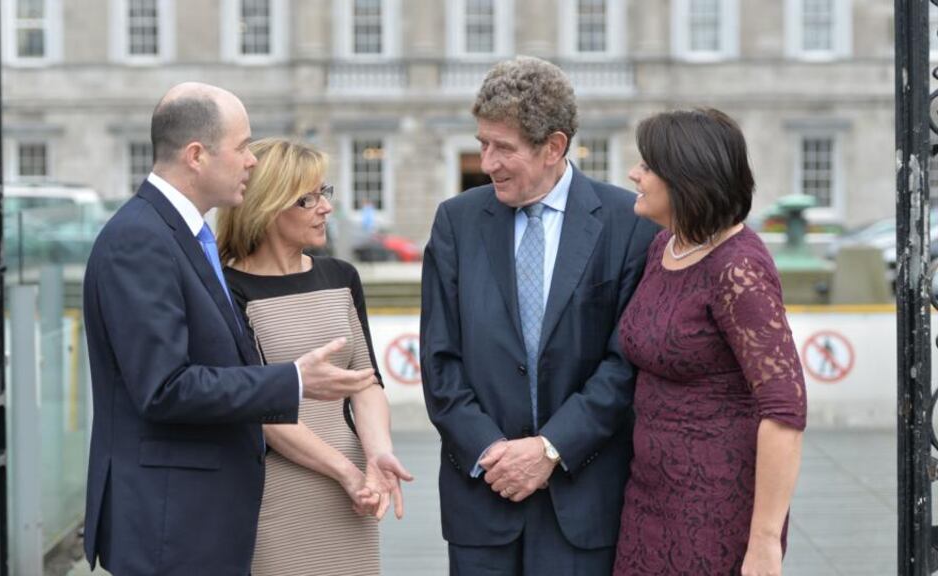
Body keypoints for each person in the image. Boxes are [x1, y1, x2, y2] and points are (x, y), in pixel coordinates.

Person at [81, 83, 377, 576]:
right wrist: (294, 380)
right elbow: (165, 387)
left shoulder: (183, 235)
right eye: (242, 148)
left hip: (200, 518)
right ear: (197, 155)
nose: (252, 162)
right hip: (171, 524)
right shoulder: (139, 240)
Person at [419, 56, 658, 575]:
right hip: (482, 499)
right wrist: (490, 451)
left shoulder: (627, 224)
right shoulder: (456, 223)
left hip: (583, 501)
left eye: (503, 147)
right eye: (483, 143)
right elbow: (439, 362)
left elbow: (625, 362)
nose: (487, 162)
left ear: (554, 146)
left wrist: (551, 448)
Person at [613, 108, 806, 576]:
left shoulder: (738, 268)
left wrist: (763, 542)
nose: (634, 174)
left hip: (716, 508)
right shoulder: (665, 246)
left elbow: (785, 411)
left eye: (647, 166)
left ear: (686, 178)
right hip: (650, 496)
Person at [217, 137, 412, 576]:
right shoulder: (227, 290)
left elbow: (367, 382)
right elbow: (258, 408)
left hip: (356, 487)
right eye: (308, 198)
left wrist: (377, 455)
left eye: (325, 193)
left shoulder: (341, 276)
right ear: (266, 206)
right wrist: (344, 472)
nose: (325, 207)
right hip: (280, 488)